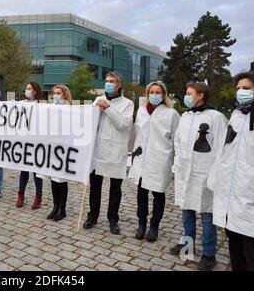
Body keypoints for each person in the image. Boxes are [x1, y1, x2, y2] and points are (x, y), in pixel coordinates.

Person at [208, 72, 254, 271]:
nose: (241, 92)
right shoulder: (236, 115)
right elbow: (226, 150)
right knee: (236, 254)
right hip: (231, 200)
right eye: (238, 88)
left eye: (246, 88)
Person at [170, 81, 227, 271]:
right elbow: (177, 142)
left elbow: (221, 147)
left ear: (200, 95)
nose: (186, 96)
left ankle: (209, 253)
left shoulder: (216, 117)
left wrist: (215, 174)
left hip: (205, 174)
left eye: (189, 93)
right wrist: (177, 163)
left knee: (207, 214)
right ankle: (188, 245)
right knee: (187, 212)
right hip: (185, 172)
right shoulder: (185, 116)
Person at [83, 72, 134, 235]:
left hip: (115, 151)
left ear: (119, 84)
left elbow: (123, 124)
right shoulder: (98, 99)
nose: (108, 84)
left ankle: (113, 219)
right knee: (95, 187)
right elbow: (89, 122)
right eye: (106, 81)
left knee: (115, 189)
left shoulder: (128, 103)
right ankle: (92, 216)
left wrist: (108, 108)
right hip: (97, 150)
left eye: (111, 81)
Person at [128, 81, 180, 242]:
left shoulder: (171, 114)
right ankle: (141, 224)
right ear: (147, 94)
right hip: (142, 158)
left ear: (164, 95)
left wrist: (174, 158)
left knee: (158, 193)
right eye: (152, 92)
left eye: (158, 92)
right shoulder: (142, 111)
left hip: (160, 159)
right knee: (141, 193)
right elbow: (138, 132)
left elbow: (177, 138)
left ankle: (154, 226)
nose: (155, 95)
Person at [45, 85, 72, 221]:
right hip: (52, 147)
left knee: (61, 180)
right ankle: (55, 206)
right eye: (54, 93)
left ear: (64, 95)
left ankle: (62, 208)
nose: (55, 95)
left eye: (58, 93)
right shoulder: (51, 108)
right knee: (53, 179)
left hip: (62, 148)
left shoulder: (69, 109)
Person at [16, 82, 44, 209]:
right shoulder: (20, 104)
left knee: (36, 171)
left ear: (35, 92)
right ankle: (20, 195)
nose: (26, 91)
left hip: (36, 143)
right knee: (24, 170)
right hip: (23, 142)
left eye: (29, 89)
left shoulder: (41, 106)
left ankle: (38, 197)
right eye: (26, 88)